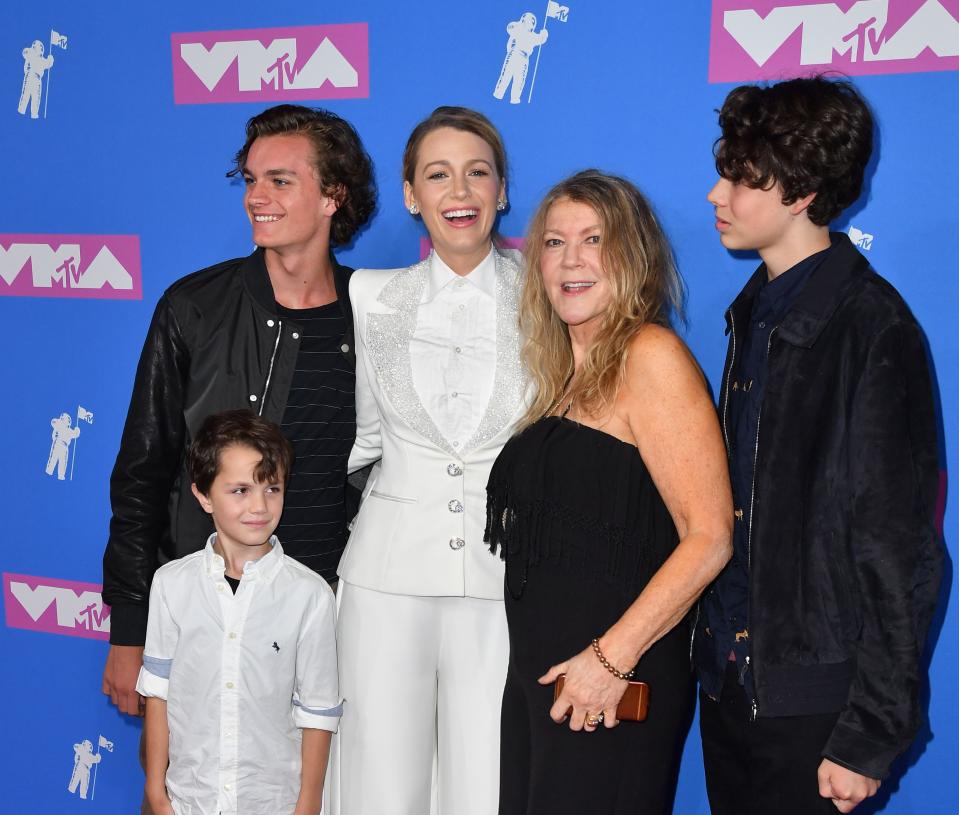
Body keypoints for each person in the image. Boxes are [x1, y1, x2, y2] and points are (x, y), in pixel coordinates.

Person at [694, 76, 943, 815]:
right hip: (732, 683)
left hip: (814, 707)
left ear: (800, 193)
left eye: (740, 179)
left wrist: (868, 733)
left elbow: (902, 550)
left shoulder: (871, 327)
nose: (715, 194)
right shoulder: (755, 314)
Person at [101, 103, 375, 728]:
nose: (258, 196)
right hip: (210, 617)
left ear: (333, 195)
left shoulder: (375, 315)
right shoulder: (193, 307)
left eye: (281, 180)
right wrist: (130, 626)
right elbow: (143, 474)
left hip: (336, 621)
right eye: (250, 179)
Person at [485, 170, 733, 814]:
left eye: (593, 239)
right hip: (552, 682)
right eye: (554, 241)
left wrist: (610, 659)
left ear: (633, 256)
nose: (570, 260)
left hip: (611, 682)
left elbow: (709, 536)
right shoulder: (564, 375)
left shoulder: (649, 355)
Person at [329, 106, 526, 815]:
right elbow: (360, 437)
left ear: (501, 189)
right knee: (379, 780)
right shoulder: (366, 295)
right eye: (437, 174)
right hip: (385, 578)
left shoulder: (548, 295)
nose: (460, 190)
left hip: (506, 582)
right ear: (412, 194)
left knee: (490, 784)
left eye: (477, 172)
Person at [137, 410, 340, 815]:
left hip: (272, 802)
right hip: (189, 799)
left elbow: (318, 711)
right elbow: (158, 694)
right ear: (203, 495)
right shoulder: (171, 583)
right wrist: (157, 794)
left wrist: (307, 806)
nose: (260, 507)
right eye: (240, 491)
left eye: (272, 489)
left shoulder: (310, 594)